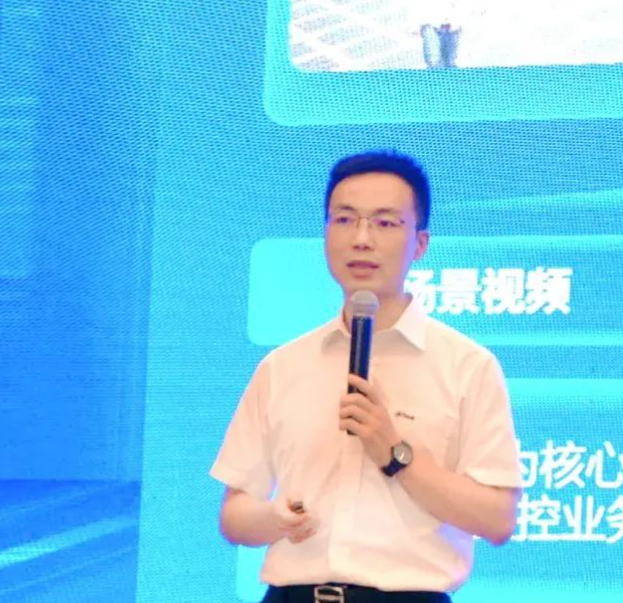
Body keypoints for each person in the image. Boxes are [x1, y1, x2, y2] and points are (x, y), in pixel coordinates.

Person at [210, 151, 522, 602]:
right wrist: (275, 518)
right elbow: (233, 514)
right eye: (344, 220)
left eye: (385, 223)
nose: (361, 239)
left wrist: (395, 454)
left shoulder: (467, 366)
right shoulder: (283, 366)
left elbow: (497, 519)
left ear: (420, 243)